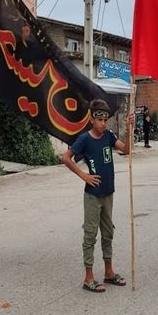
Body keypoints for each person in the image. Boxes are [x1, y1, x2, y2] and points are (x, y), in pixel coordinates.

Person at [62, 99, 133, 293]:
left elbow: (127, 150)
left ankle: (109, 272)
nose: (103, 123)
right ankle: (88, 277)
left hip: (108, 193)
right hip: (93, 196)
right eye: (99, 119)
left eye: (105, 119)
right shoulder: (84, 139)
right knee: (90, 235)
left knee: (108, 233)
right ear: (92, 119)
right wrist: (83, 175)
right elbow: (66, 157)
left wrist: (128, 127)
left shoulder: (108, 136)